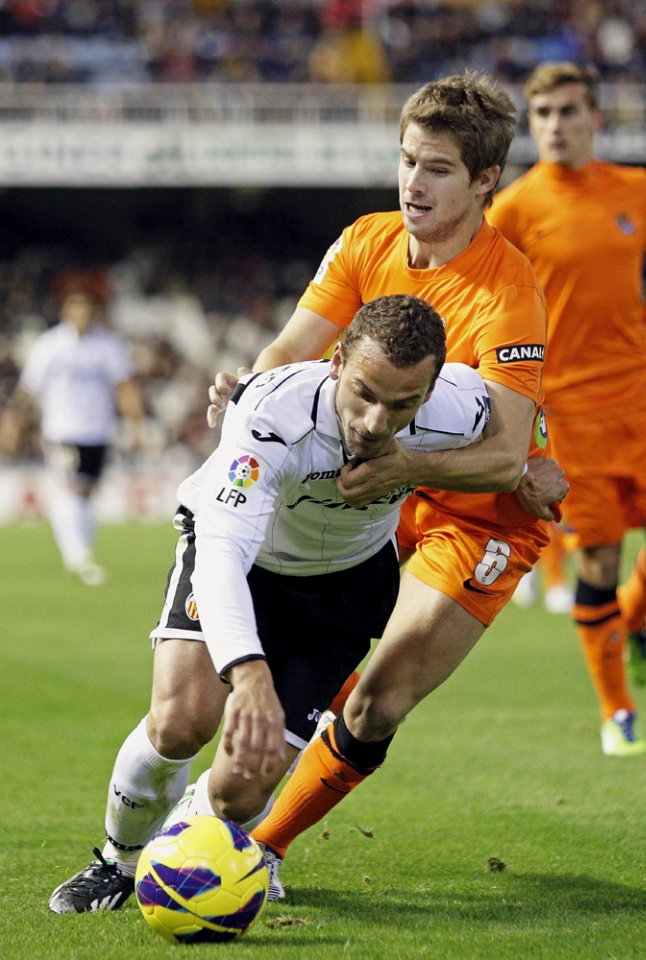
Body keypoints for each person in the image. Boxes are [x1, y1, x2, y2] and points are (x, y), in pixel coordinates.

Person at [202, 72, 568, 898]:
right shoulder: (365, 240)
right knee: (302, 660)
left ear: (484, 182)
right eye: (406, 161)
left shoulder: (507, 291)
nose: (413, 183)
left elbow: (508, 456)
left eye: (436, 168)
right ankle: (208, 812)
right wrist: (251, 398)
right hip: (379, 482)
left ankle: (258, 849)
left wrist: (404, 467)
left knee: (376, 700)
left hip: (480, 514)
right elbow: (286, 353)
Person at [48, 294, 492, 914]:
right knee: (182, 722)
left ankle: (178, 850)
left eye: (401, 404)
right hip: (246, 565)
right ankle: (116, 863)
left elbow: (520, 428)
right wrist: (248, 672)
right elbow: (223, 552)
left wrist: (532, 470)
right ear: (336, 362)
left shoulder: (462, 405)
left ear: (432, 389)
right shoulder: (271, 414)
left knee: (242, 789)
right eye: (363, 392)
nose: (373, 421)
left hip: (343, 589)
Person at [488, 62, 646, 756]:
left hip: (642, 400)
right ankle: (616, 712)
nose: (555, 125)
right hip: (567, 412)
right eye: (542, 114)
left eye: (567, 111)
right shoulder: (515, 209)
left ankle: (630, 617)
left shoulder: (639, 191)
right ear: (530, 125)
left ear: (596, 117)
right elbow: (478, 293)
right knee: (595, 560)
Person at [0, 291, 144, 585]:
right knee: (71, 487)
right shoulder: (50, 345)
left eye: (87, 310)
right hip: (61, 430)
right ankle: (78, 557)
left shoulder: (108, 345)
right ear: (66, 312)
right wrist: (12, 424)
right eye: (76, 309)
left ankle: (81, 552)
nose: (83, 316)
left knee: (87, 491)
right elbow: (28, 389)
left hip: (98, 430)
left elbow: (125, 386)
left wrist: (136, 423)